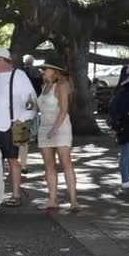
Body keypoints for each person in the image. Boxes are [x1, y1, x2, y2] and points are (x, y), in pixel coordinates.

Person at [0, 48, 37, 207]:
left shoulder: (18, 76)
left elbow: (31, 100)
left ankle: (16, 194)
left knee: (13, 160)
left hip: (11, 125)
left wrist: (23, 119)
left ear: (2, 59)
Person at [36, 57, 78, 211]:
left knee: (66, 163)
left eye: (45, 69)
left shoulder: (62, 85)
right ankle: (52, 199)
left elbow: (64, 109)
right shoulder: (44, 86)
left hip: (60, 128)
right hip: (44, 128)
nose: (42, 72)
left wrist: (54, 129)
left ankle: (74, 201)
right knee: (48, 166)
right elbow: (39, 108)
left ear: (54, 71)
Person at [108, 64, 129, 190]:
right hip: (128, 126)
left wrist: (115, 127)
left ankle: (125, 180)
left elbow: (112, 112)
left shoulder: (119, 93)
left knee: (125, 153)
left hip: (122, 127)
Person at [19, 55, 43, 174]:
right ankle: (23, 164)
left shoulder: (20, 73)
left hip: (25, 105)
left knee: (23, 135)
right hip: (31, 102)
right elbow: (39, 87)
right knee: (24, 135)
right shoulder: (36, 72)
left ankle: (22, 164)